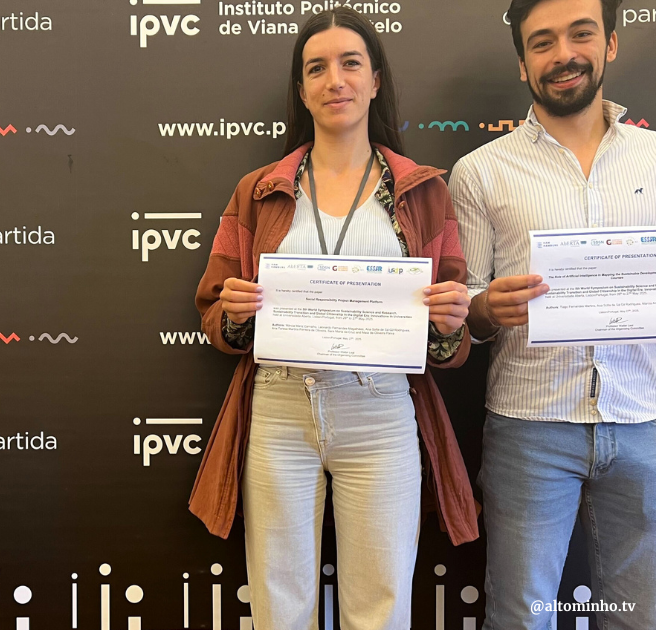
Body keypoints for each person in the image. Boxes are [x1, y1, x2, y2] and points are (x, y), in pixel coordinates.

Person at [448, 0, 656, 627]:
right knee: (519, 617)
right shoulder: (478, 171)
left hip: (643, 419)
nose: (563, 55)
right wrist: (486, 306)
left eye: (580, 34)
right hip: (528, 425)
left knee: (642, 617)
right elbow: (465, 309)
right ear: (523, 62)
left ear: (609, 43)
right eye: (542, 42)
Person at [189, 7, 480, 628]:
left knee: (381, 606)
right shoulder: (257, 191)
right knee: (278, 605)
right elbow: (214, 311)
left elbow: (451, 338)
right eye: (316, 68)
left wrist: (451, 322)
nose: (335, 80)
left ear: (375, 80)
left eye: (351, 63)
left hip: (381, 413)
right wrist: (235, 313)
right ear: (302, 89)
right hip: (279, 410)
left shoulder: (425, 191)